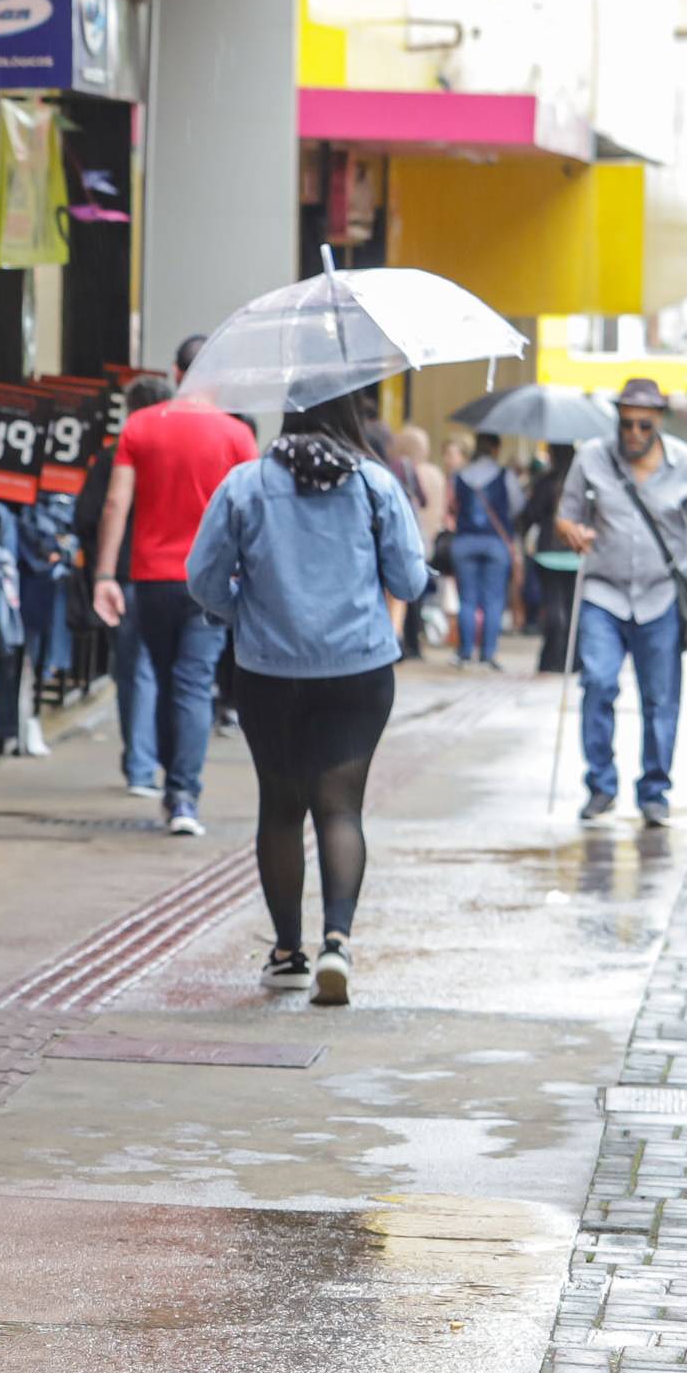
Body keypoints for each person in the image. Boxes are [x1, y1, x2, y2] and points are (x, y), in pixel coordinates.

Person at [185, 387, 428, 1007]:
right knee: (340, 809)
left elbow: (203, 579)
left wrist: (244, 613)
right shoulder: (375, 484)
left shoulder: (244, 485)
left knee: (281, 807)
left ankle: (287, 955)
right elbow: (408, 577)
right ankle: (338, 942)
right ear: (350, 413)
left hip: (270, 672)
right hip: (359, 670)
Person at [90, 333, 259, 837]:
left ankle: (173, 784)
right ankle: (183, 795)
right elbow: (252, 512)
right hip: (210, 583)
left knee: (167, 682)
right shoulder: (236, 435)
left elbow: (117, 504)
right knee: (192, 684)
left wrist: (104, 574)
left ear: (176, 372)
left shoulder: (140, 427)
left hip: (150, 580)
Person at [555, 378, 687, 827]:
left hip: (660, 598)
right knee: (597, 683)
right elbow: (566, 514)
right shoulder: (592, 458)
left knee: (660, 699)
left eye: (643, 426)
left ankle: (654, 791)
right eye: (626, 423)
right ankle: (601, 785)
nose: (633, 433)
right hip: (604, 593)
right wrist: (572, 531)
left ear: (659, 423)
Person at [78, 373, 176, 797]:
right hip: (178, 575)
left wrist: (100, 569)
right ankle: (166, 767)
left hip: (126, 576)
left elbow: (89, 514)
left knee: (133, 671)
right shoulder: (182, 451)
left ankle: (139, 764)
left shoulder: (118, 453)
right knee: (174, 674)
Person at [447, 432, 519, 668]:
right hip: (495, 542)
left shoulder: (459, 476)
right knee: (494, 600)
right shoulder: (504, 476)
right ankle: (488, 653)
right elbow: (518, 506)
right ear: (496, 449)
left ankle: (465, 652)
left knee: (467, 599)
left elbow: (451, 506)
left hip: (465, 541)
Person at [518, 442, 583, 673]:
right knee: (571, 607)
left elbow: (531, 514)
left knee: (554, 606)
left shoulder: (547, 482)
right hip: (576, 553)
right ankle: (571, 658)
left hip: (549, 553)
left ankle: (553, 656)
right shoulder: (583, 484)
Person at [387, 424, 448, 661]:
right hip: (421, 535)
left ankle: (403, 641)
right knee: (414, 588)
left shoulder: (392, 467)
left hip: (405, 534)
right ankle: (412, 640)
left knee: (399, 593)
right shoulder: (428, 471)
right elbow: (424, 500)